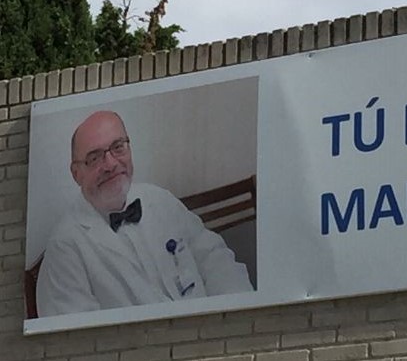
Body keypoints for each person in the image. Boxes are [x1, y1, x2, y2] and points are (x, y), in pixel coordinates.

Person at [36, 111, 253, 317]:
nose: (110, 164)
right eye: (94, 158)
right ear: (76, 174)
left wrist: (237, 314)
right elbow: (77, 337)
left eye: (118, 147)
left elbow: (215, 258)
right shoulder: (64, 250)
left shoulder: (159, 198)